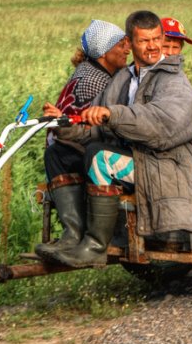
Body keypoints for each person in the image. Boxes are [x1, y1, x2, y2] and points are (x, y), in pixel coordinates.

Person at [43, 10, 192, 268]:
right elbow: (97, 127)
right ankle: (72, 237)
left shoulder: (174, 81)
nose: (152, 46)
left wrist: (112, 114)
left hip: (163, 166)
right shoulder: (121, 79)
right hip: (135, 160)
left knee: (100, 157)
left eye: (156, 39)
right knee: (58, 153)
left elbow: (160, 127)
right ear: (130, 42)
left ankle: (95, 246)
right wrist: (64, 123)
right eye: (143, 41)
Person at [35, 19, 130, 260]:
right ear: (103, 51)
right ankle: (75, 236)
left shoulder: (92, 72)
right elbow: (97, 129)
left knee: (58, 153)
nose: (126, 49)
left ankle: (74, 235)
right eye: (120, 45)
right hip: (90, 147)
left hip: (78, 145)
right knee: (71, 153)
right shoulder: (95, 81)